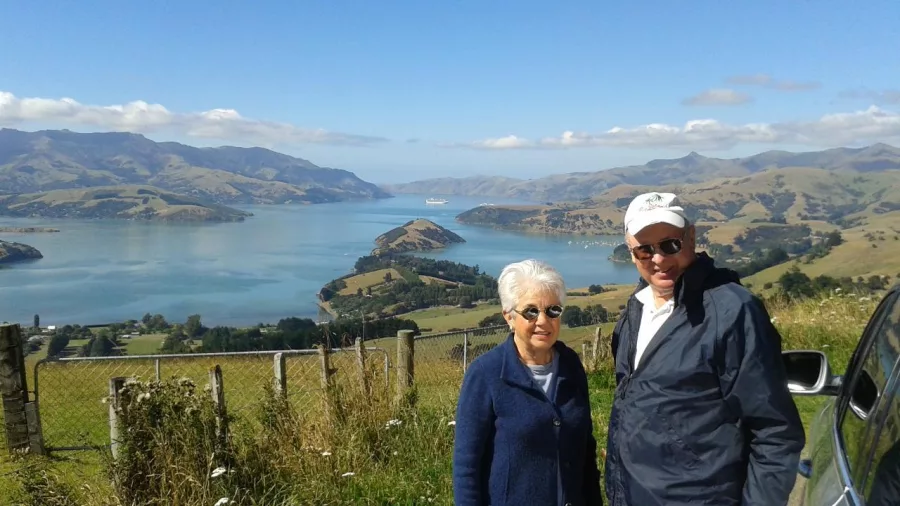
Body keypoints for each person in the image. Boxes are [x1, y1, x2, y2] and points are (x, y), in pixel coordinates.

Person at [604, 192, 805, 506]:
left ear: (691, 237)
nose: (658, 259)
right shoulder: (636, 310)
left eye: (670, 244)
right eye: (645, 250)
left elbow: (775, 433)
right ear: (631, 252)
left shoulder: (733, 312)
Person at [453, 259, 603, 506]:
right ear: (509, 317)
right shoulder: (486, 373)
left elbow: (585, 452)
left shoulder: (571, 365)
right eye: (531, 311)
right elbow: (467, 468)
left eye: (553, 310)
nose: (543, 321)